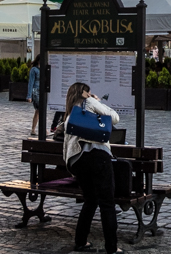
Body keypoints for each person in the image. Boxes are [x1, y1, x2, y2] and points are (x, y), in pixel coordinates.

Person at [58, 82, 120, 253]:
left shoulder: (70, 113)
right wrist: (97, 100)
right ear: (84, 93)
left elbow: (65, 146)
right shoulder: (89, 103)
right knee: (107, 202)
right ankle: (112, 248)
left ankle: (80, 242)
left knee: (90, 200)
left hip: (77, 161)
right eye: (89, 92)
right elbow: (114, 118)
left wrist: (70, 165)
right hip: (97, 156)